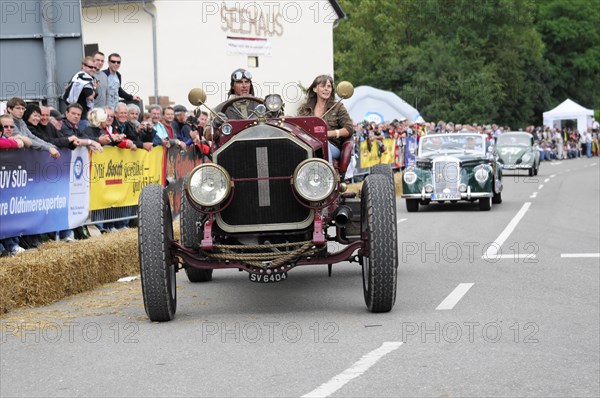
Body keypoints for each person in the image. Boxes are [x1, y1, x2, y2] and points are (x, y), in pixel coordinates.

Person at [297, 74, 354, 163]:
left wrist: (327, 134)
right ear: (315, 89)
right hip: (309, 145)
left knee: (323, 144)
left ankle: (328, 174)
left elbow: (349, 129)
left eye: (329, 86)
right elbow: (298, 128)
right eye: (323, 86)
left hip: (331, 146)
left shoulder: (338, 107)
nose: (326, 89)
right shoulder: (305, 108)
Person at [64, 56, 98, 128]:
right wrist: (95, 88)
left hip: (73, 112)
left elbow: (66, 88)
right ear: (83, 66)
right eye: (90, 67)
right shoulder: (84, 78)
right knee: (83, 136)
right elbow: (90, 96)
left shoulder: (77, 76)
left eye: (95, 68)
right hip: (80, 115)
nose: (93, 69)